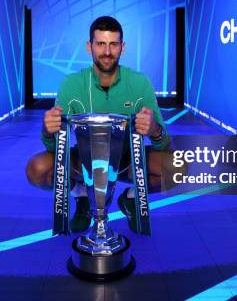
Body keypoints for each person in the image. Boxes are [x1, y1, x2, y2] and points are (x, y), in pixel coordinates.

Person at [26, 16, 173, 233]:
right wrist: (48, 130)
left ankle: (131, 199)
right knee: (37, 169)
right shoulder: (72, 84)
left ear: (122, 48)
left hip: (128, 162)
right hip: (85, 161)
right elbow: (54, 148)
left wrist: (155, 129)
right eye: (101, 44)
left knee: (178, 168)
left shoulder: (139, 82)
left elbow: (164, 144)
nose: (107, 51)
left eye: (113, 44)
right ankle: (82, 196)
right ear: (89, 47)